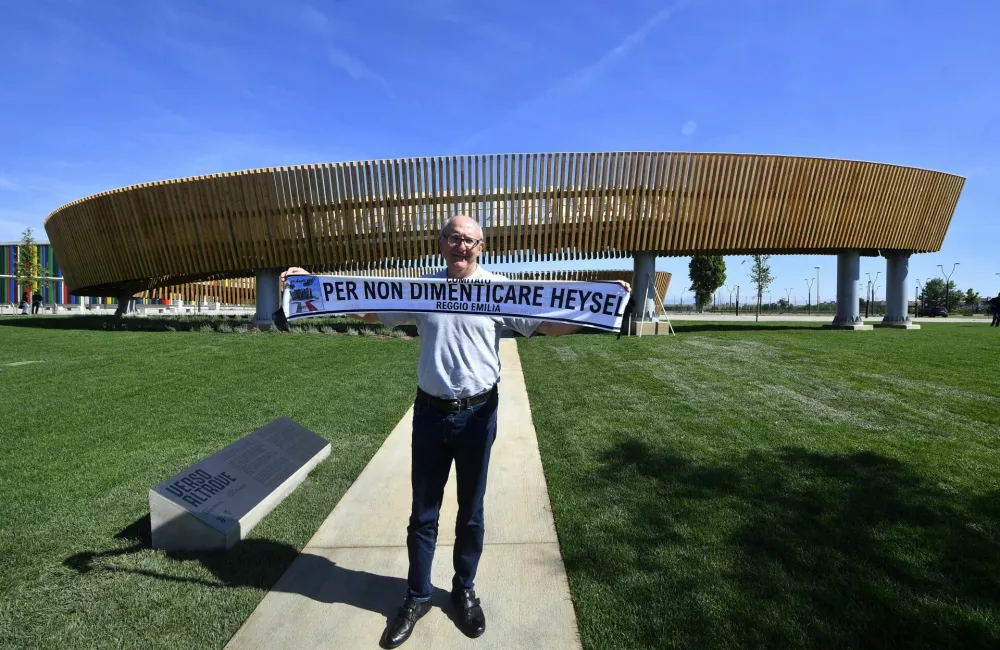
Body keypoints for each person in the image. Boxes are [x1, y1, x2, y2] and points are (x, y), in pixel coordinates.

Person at [287, 215, 628, 648]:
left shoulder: (498, 290)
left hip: (478, 416)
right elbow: (370, 306)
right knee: (423, 513)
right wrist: (310, 284)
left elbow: (545, 323)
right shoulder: (422, 289)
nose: (460, 246)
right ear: (441, 243)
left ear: (481, 247)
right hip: (430, 415)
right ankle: (416, 595)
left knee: (471, 511)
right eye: (453, 238)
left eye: (469, 240)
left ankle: (464, 589)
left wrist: (602, 306)